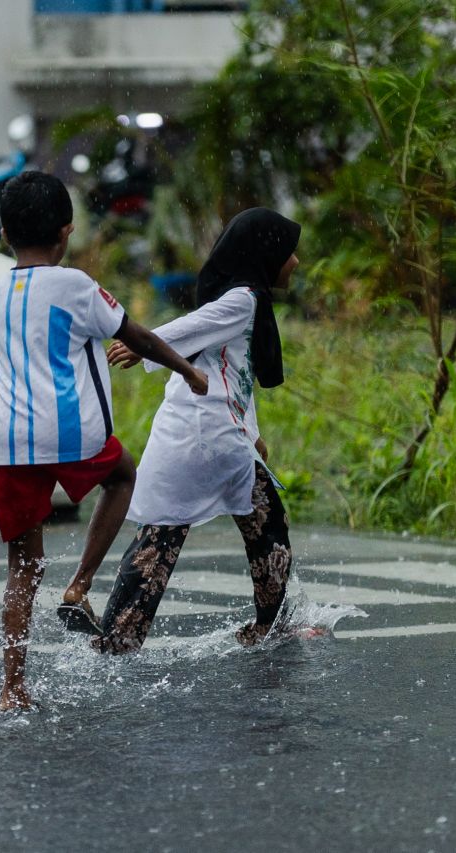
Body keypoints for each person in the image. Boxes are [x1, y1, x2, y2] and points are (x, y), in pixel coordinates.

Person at [0, 170, 207, 711]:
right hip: (68, 430)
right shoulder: (77, 287)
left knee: (22, 567)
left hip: (10, 438)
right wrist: (188, 371)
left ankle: (13, 688)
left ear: (3, 232)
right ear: (66, 232)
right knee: (123, 475)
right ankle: (80, 584)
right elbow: (138, 338)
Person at [89, 208, 300, 654]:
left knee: (159, 541)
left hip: (199, 433)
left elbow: (235, 374)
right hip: (210, 437)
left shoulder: (244, 302)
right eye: (289, 252)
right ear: (267, 254)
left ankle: (117, 640)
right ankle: (272, 626)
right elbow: (191, 328)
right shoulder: (243, 300)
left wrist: (253, 431)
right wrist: (138, 341)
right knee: (266, 528)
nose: (295, 262)